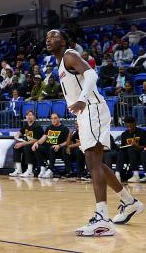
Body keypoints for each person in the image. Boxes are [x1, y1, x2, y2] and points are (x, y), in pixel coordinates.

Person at [46, 29, 143, 236]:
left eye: (54, 36)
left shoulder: (70, 55)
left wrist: (82, 98)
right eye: (47, 37)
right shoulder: (60, 63)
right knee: (95, 162)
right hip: (85, 113)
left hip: (91, 107)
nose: (49, 39)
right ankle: (129, 201)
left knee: (93, 161)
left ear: (64, 41)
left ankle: (102, 219)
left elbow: (91, 73)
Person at [32, 113, 71, 179]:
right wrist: (36, 143)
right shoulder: (49, 127)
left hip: (57, 150)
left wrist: (59, 145)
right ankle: (42, 167)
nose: (53, 120)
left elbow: (67, 142)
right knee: (37, 147)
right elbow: (43, 138)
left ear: (59, 119)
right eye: (52, 118)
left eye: (55, 118)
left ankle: (50, 170)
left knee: (52, 148)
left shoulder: (64, 128)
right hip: (48, 149)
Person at [9, 110, 43, 178]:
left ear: (34, 117)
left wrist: (23, 144)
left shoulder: (37, 126)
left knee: (26, 147)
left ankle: (30, 171)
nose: (29, 117)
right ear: (26, 117)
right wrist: (17, 135)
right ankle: (18, 170)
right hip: (28, 144)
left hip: (37, 145)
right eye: (27, 115)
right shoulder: (26, 125)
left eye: (31, 115)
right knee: (16, 146)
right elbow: (20, 132)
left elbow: (36, 140)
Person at [114, 116, 146, 183]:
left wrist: (137, 145)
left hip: (140, 151)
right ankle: (117, 174)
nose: (129, 128)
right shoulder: (124, 134)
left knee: (132, 148)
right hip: (129, 153)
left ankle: (136, 175)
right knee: (121, 151)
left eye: (130, 126)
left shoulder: (142, 132)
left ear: (134, 124)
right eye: (127, 126)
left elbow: (144, 147)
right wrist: (124, 146)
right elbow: (123, 146)